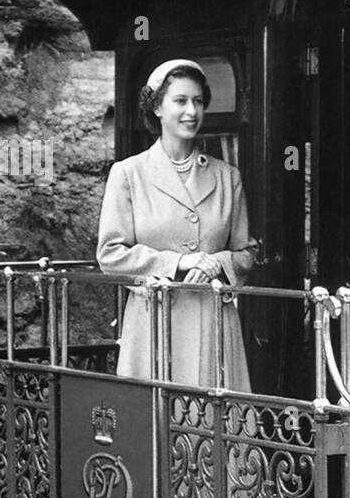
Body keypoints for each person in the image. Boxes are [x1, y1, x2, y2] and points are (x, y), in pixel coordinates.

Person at [96, 58, 256, 388]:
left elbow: (246, 253)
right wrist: (179, 262)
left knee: (213, 426)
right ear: (157, 107)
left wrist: (217, 263)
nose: (191, 111)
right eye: (180, 101)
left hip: (214, 323)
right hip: (154, 324)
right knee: (156, 423)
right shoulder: (129, 174)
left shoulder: (227, 177)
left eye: (198, 101)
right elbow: (110, 254)